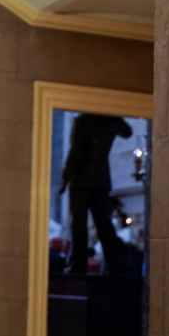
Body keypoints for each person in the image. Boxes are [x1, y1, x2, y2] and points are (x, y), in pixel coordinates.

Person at [60, 113, 132, 274]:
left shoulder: (82, 121)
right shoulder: (112, 121)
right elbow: (128, 132)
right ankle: (115, 265)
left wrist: (65, 178)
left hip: (80, 181)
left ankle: (79, 265)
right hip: (100, 181)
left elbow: (75, 152)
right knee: (103, 224)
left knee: (79, 225)